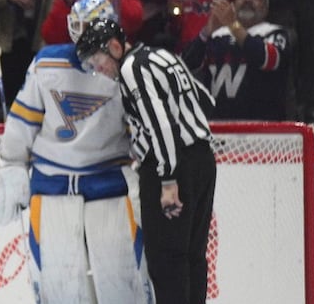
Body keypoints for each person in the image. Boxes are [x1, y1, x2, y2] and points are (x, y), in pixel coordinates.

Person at [0, 0, 154, 303]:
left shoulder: (126, 69)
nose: (82, 35)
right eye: (77, 26)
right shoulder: (47, 62)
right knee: (59, 285)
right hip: (52, 183)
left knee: (122, 281)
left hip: (109, 183)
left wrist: (150, 171)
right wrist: (12, 165)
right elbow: (24, 120)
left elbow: (141, 130)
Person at [75, 17, 216, 304]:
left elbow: (161, 126)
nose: (100, 71)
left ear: (115, 46)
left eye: (100, 62)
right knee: (192, 255)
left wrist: (168, 179)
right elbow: (204, 99)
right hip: (203, 159)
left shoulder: (131, 69)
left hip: (172, 166)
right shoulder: (161, 54)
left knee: (167, 260)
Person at [183, 0, 290, 120]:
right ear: (233, 6)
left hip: (261, 127)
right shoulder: (217, 35)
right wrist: (206, 32)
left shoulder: (275, 33)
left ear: (265, 9)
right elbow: (185, 66)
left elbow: (268, 59)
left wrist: (233, 25)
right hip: (218, 125)